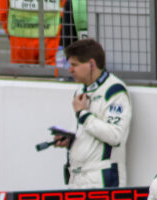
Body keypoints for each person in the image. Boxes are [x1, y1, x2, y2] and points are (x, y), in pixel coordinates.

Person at [53, 38, 131, 189]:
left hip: (102, 178)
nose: (70, 70)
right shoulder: (81, 90)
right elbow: (87, 133)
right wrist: (69, 140)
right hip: (76, 178)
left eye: (74, 65)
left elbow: (115, 136)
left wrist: (83, 114)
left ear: (91, 64)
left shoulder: (114, 91)